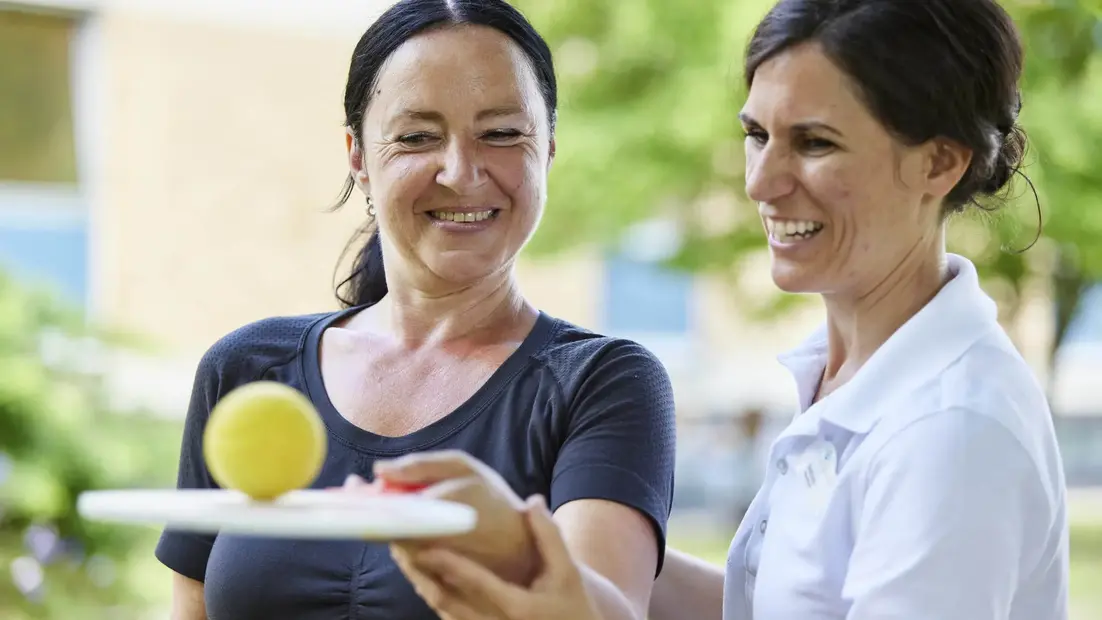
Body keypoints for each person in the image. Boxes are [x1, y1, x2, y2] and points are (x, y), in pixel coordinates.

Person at [385, 1, 1071, 619]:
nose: (762, 182)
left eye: (815, 143)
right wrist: (527, 546)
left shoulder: (950, 432)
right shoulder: (852, 379)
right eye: (757, 136)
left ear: (938, 164)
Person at [153, 1, 677, 618]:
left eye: (502, 132)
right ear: (358, 156)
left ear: (551, 148)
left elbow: (604, 609)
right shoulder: (247, 368)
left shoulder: (601, 383)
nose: (461, 171)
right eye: (416, 137)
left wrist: (508, 538)